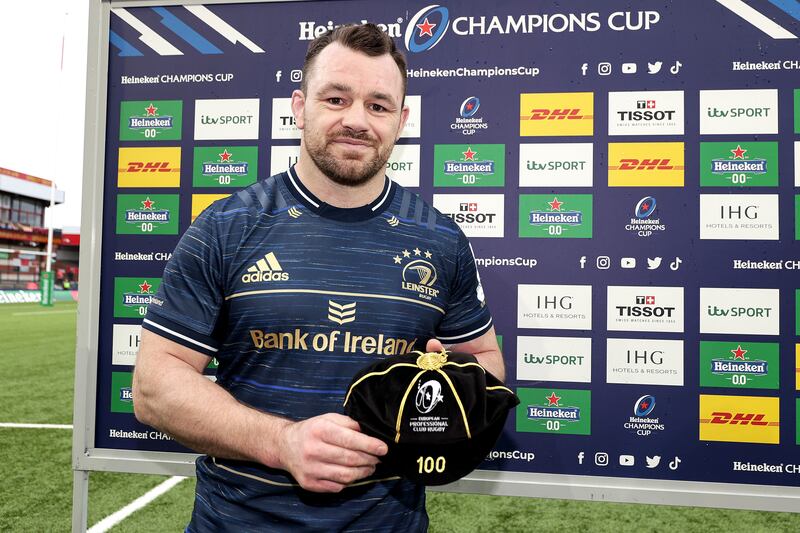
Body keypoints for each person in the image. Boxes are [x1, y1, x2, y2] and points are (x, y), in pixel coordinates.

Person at [133, 23, 504, 532]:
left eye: (378, 105)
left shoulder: (441, 239)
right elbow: (155, 387)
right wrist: (280, 442)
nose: (357, 120)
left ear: (402, 120)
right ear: (298, 106)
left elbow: (486, 364)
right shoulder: (226, 226)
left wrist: (444, 391)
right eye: (336, 99)